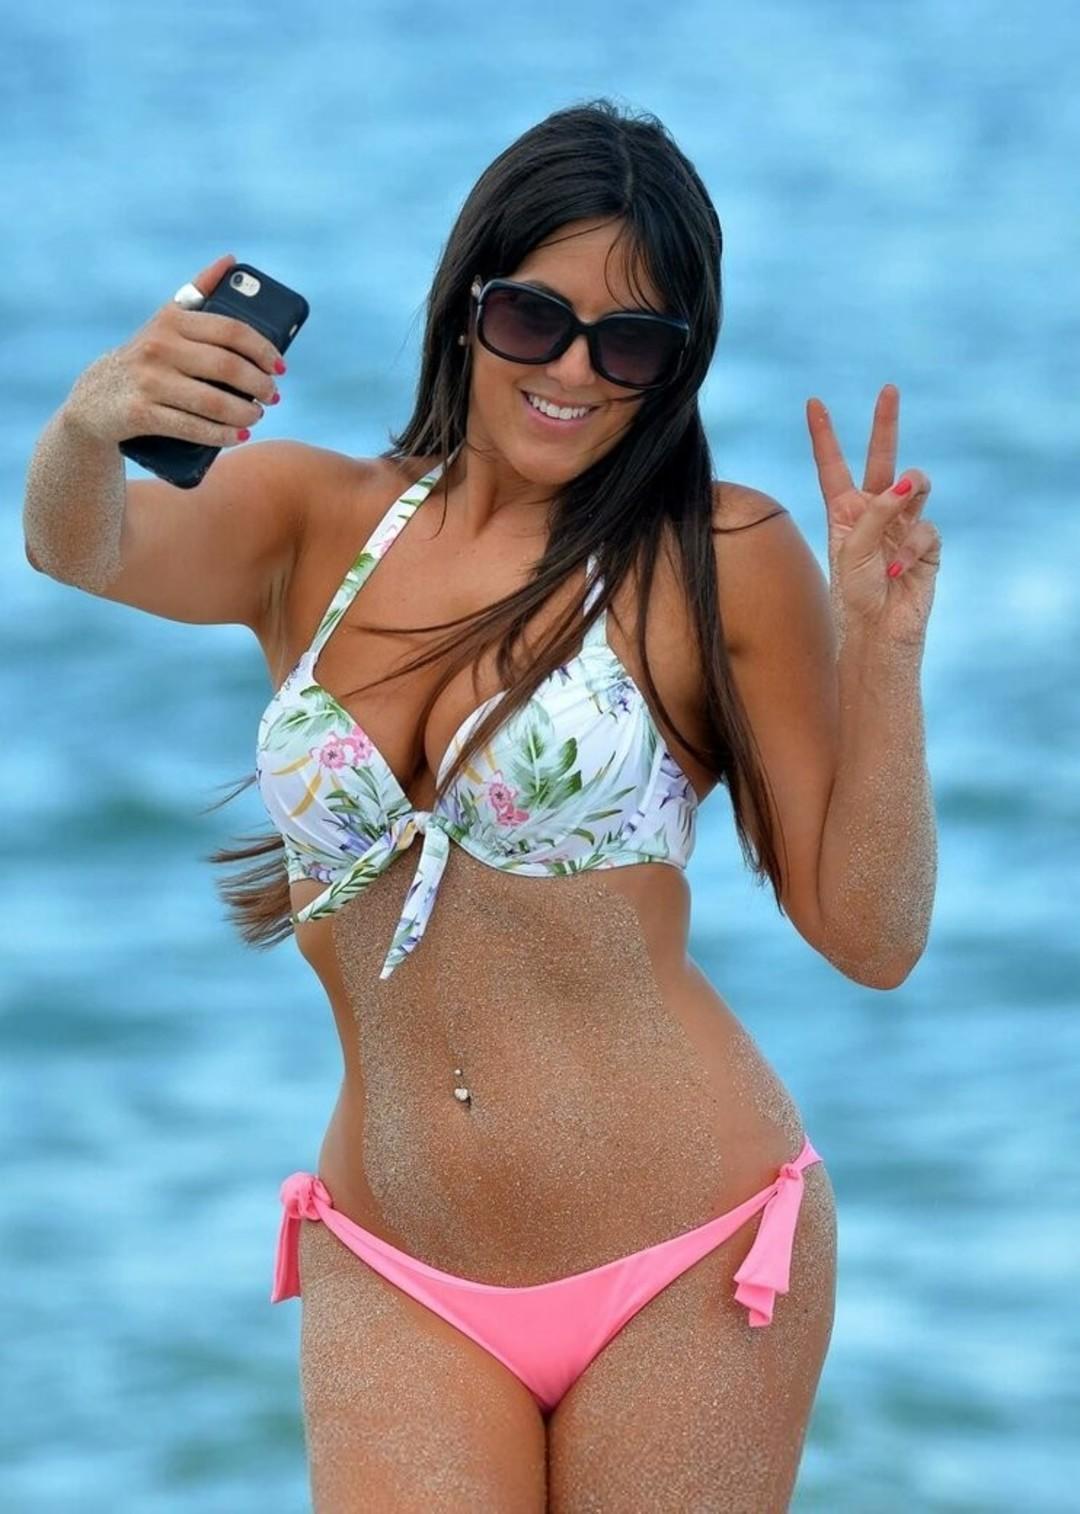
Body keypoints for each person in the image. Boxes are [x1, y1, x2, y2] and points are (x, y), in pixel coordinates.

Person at [23, 97, 939, 1513]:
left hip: (689, 1250)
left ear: (676, 366)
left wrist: (883, 656)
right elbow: (78, 544)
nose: (571, 370)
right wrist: (95, 418)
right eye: (534, 318)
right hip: (395, 1262)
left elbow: (872, 935)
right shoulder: (316, 522)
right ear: (468, 306)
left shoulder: (718, 556)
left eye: (628, 343)